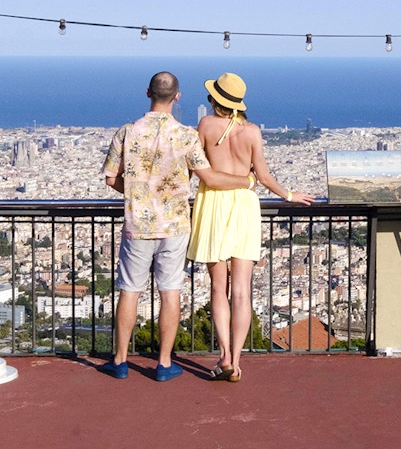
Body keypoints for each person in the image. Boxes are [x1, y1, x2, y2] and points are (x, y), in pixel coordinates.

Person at [100, 71, 253, 382]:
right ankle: (164, 363)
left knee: (130, 291)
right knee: (170, 293)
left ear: (147, 93)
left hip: (138, 224)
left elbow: (110, 178)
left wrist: (139, 193)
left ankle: (120, 361)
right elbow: (208, 177)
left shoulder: (127, 132)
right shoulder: (186, 136)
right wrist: (248, 181)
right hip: (175, 225)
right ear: (178, 97)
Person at [188, 72, 314, 383]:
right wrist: (289, 195)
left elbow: (194, 169)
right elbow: (265, 176)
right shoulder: (253, 132)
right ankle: (238, 360)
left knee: (219, 287)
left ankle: (224, 356)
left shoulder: (204, 126)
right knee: (242, 290)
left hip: (214, 203)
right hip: (245, 205)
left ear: (216, 100)